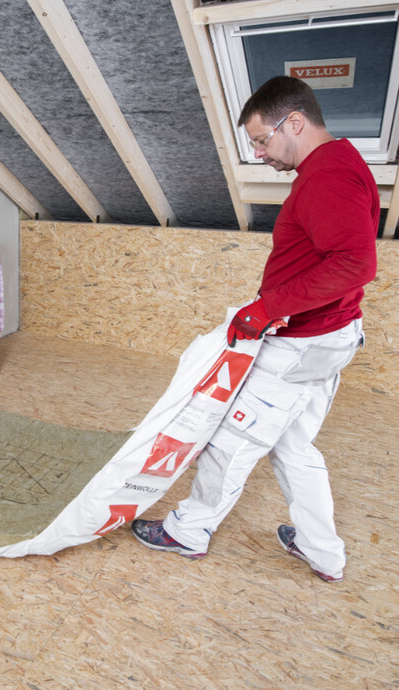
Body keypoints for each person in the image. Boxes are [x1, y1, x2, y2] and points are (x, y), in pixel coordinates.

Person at [131, 76, 379, 583]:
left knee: (231, 441)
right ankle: (322, 550)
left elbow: (355, 263)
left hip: (299, 346)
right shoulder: (339, 164)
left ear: (295, 122)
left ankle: (188, 531)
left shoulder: (328, 177)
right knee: (293, 448)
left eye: (263, 140)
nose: (261, 153)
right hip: (327, 338)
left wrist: (269, 309)